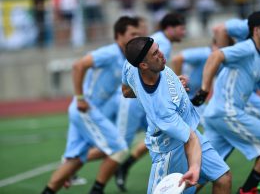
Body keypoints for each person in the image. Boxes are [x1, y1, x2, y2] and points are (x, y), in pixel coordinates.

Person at [193, 11, 260, 194]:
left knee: (209, 172)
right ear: (256, 30)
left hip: (217, 115)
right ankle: (248, 189)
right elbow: (215, 56)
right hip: (226, 113)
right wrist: (204, 90)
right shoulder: (247, 48)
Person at [40, 16, 140, 194]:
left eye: (138, 34)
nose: (136, 37)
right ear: (119, 35)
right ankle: (97, 190)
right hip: (85, 109)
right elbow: (79, 65)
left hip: (87, 112)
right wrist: (80, 98)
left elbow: (125, 90)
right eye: (132, 34)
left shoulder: (125, 58)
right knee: (120, 148)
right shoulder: (109, 53)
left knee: (74, 159)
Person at [122, 36, 232, 194]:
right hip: (169, 150)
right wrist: (194, 167)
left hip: (188, 130)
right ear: (143, 65)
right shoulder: (161, 109)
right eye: (155, 54)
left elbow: (126, 91)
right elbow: (190, 138)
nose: (161, 54)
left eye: (158, 48)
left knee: (223, 178)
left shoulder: (130, 65)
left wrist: (173, 86)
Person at [114, 12, 187, 191]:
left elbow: (159, 76)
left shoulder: (157, 42)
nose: (184, 32)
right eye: (181, 28)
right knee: (118, 145)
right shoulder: (160, 44)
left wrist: (174, 82)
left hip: (144, 100)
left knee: (155, 133)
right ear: (169, 28)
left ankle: (126, 165)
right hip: (137, 105)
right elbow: (149, 76)